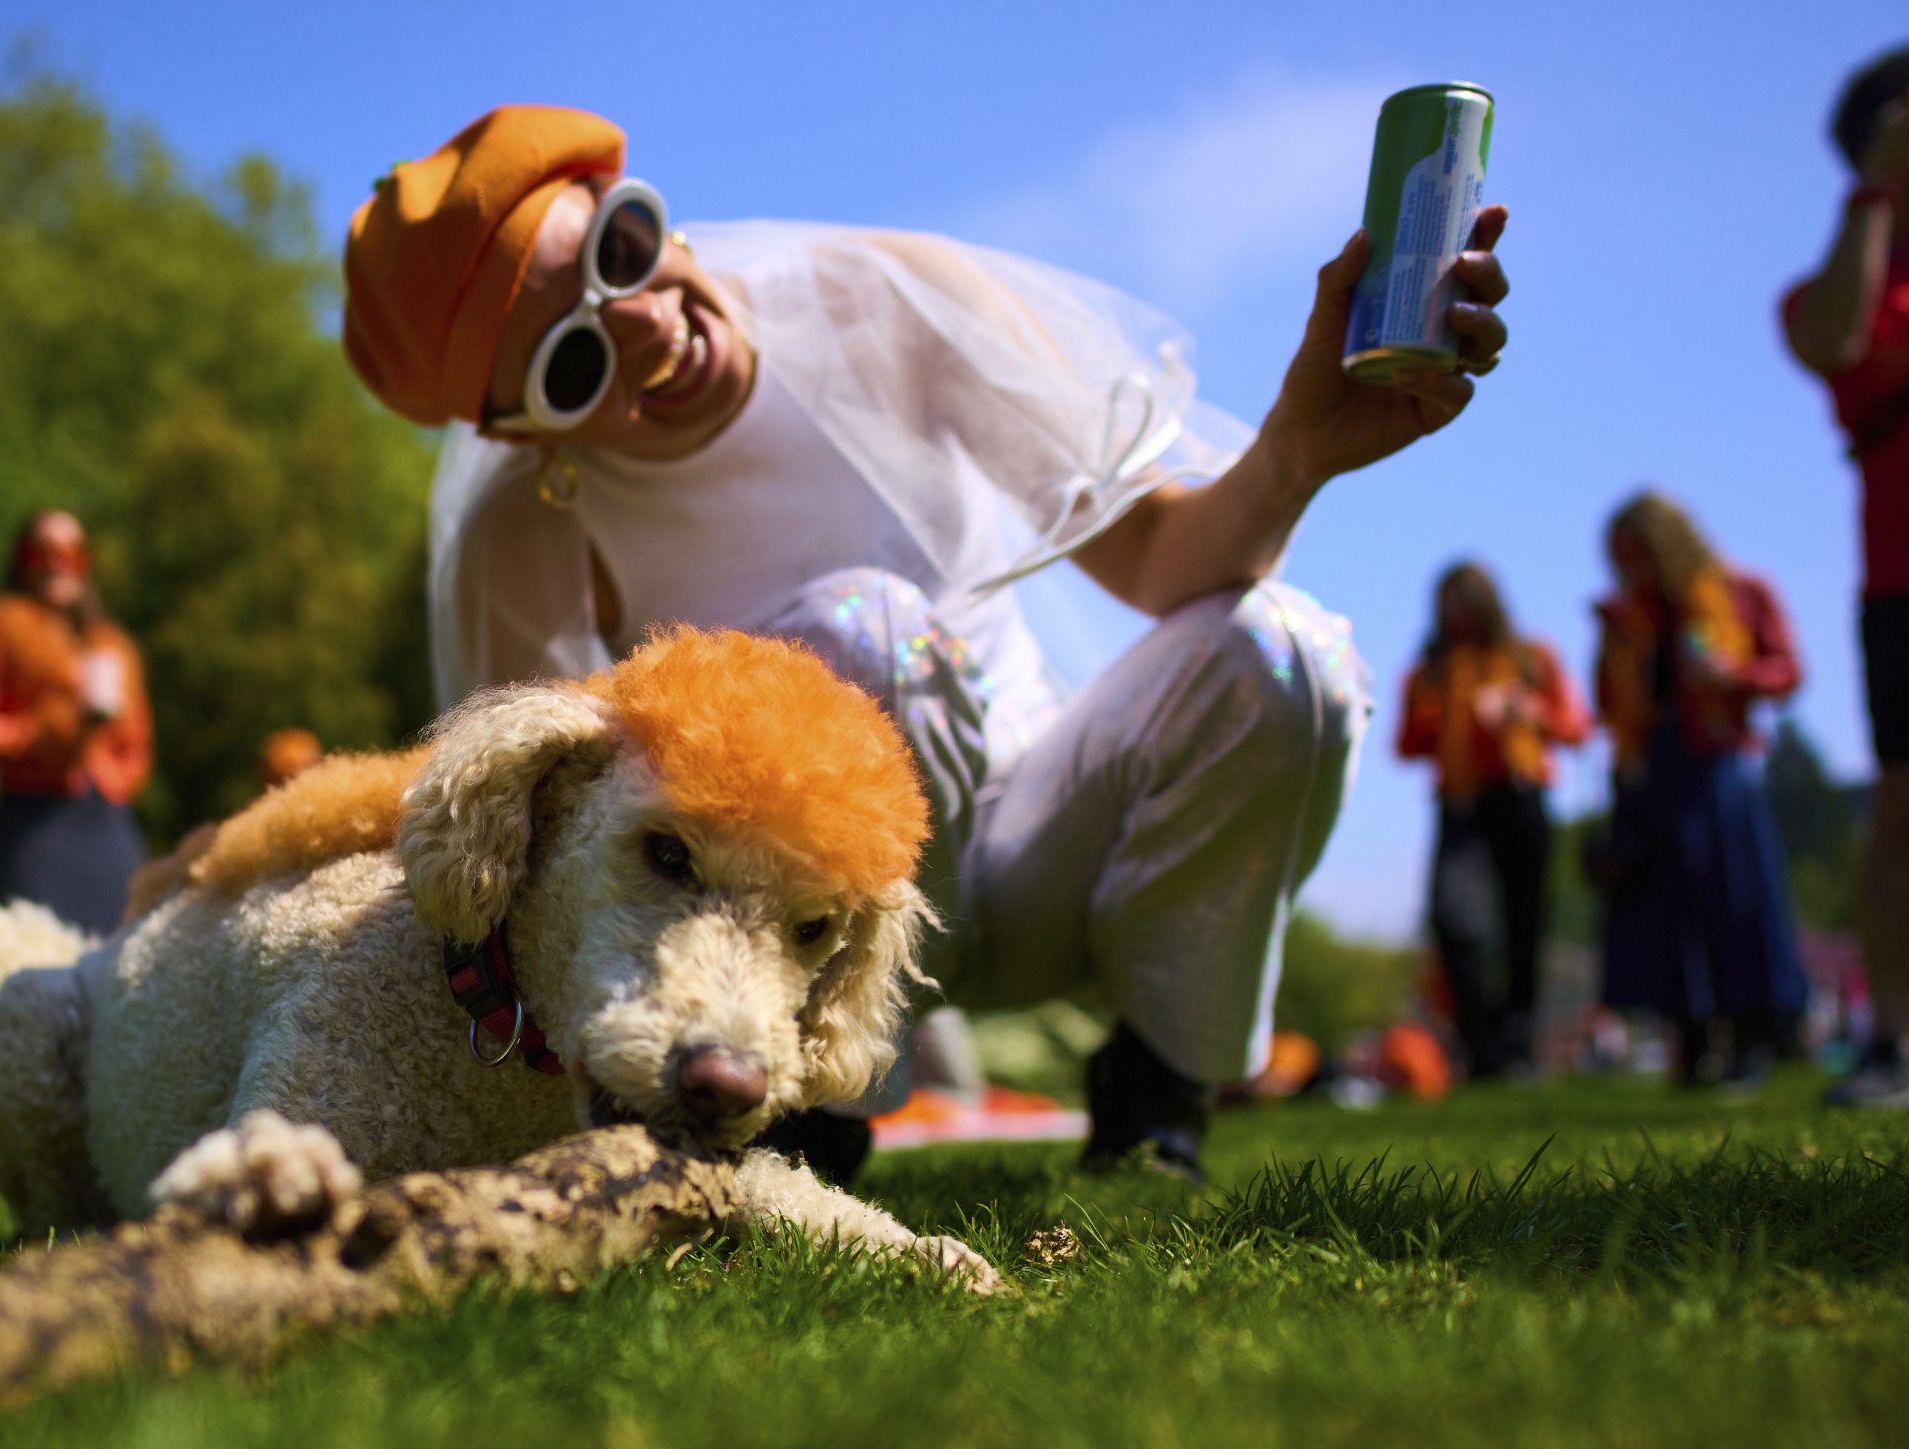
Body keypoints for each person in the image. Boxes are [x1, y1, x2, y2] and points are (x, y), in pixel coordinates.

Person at [341, 106, 1512, 1183]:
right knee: (865, 631)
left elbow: (1162, 564)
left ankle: (1157, 1092)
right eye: (572, 363)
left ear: (646, 207)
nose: (645, 326)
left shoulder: (882, 305)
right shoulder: (533, 529)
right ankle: (806, 1121)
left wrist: (1297, 447)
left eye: (623, 250)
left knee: (1284, 652)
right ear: (521, 432)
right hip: (814, 941)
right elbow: (544, 848)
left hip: (1052, 850)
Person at [1784, 44, 1909, 1108]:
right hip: (1900, 571)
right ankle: (1890, 1042)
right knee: (1901, 813)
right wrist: (1876, 191)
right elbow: (1831, 338)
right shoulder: (1842, 278)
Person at [1592, 492, 1808, 1089]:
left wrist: (1732, 676)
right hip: (1649, 766)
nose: (1634, 568)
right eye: (1623, 559)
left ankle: (1749, 1035)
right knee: (1663, 907)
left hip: (1715, 763)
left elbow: (1788, 670)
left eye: (1641, 553)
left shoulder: (1739, 592)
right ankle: (1686, 1039)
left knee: (1729, 896)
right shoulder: (1624, 615)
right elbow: (1606, 704)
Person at [1395, 562, 1590, 1077]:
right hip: (1460, 806)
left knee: (1523, 923)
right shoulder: (1431, 670)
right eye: (1447, 603)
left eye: (1466, 600)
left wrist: (1527, 712)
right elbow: (1406, 744)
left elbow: (1576, 727)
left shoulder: (1530, 658)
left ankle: (1517, 1042)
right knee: (1452, 919)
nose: (1456, 613)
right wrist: (1441, 718)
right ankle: (1479, 1043)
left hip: (1519, 797)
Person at [0, 510, 154, 937]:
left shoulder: (111, 642)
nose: (57, 562)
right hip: (34, 817)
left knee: (127, 949)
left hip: (106, 819)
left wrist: (119, 776)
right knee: (39, 957)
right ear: (22, 560)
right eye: (41, 551)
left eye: (72, 553)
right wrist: (40, 735)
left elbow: (138, 739)